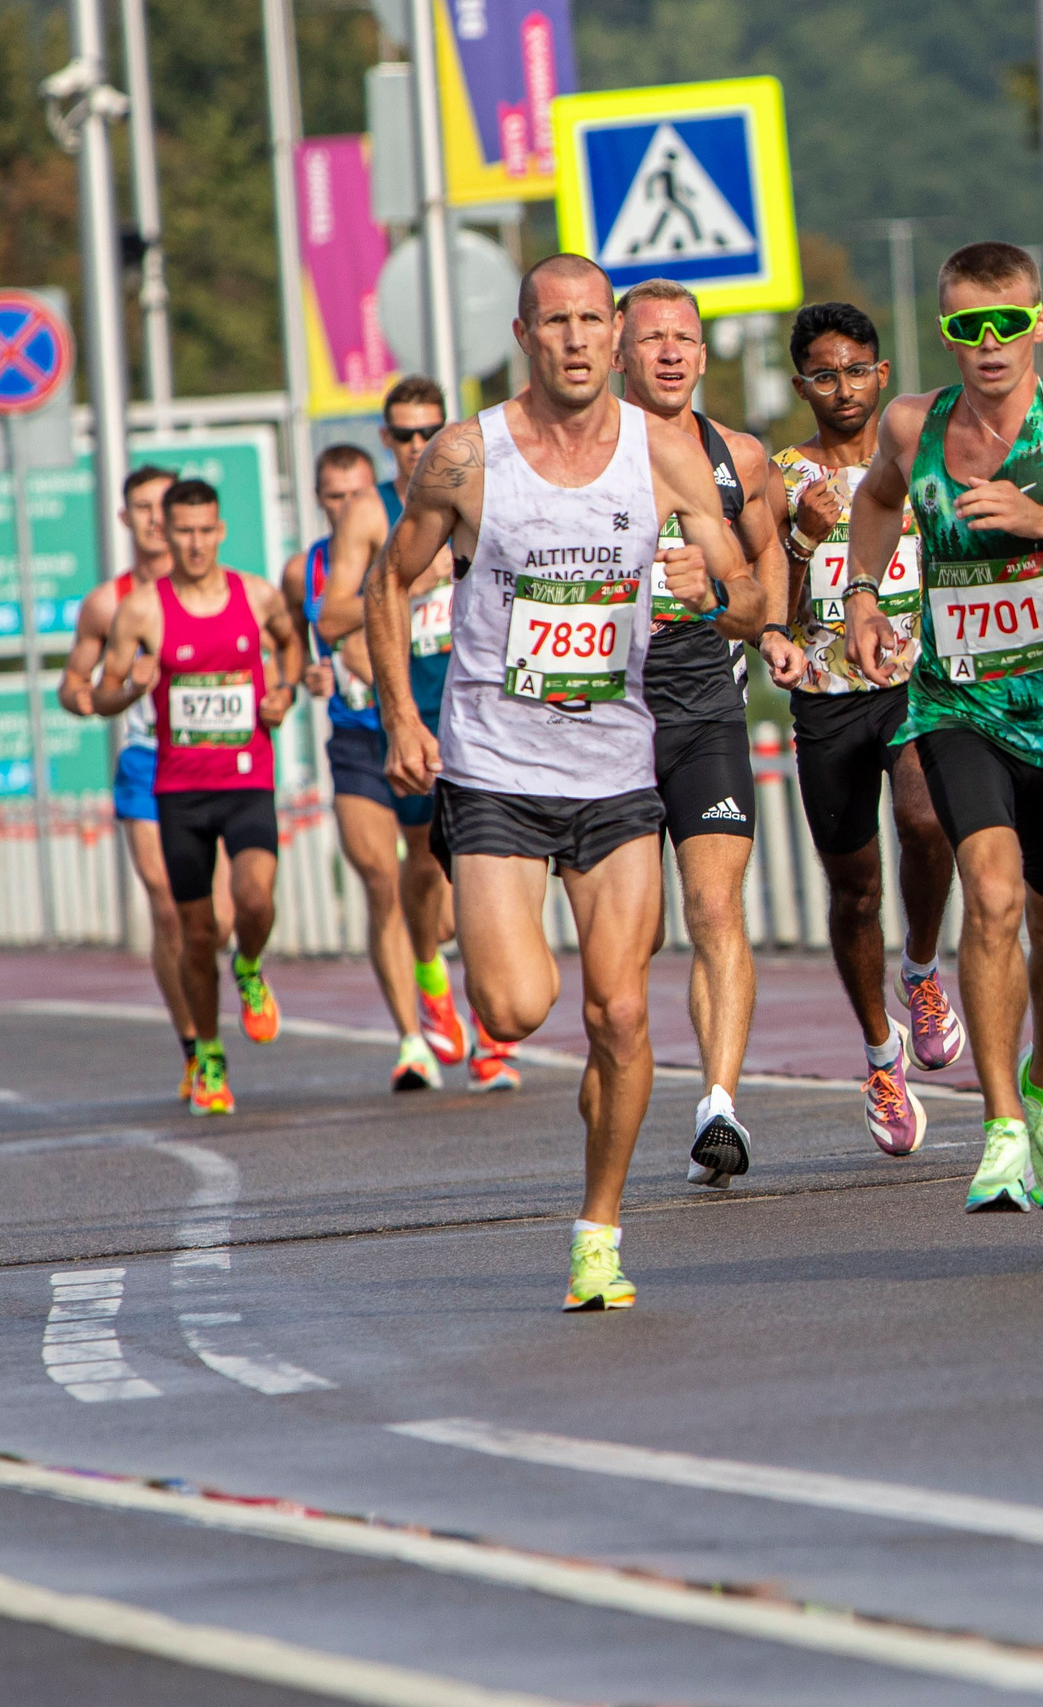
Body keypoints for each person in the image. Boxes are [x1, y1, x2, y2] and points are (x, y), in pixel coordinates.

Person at [364, 252, 748, 1310]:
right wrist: (402, 714)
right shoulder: (462, 457)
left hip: (618, 767)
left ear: (616, 338)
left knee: (621, 1014)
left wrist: (707, 579)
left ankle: (599, 1231)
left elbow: (757, 594)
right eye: (556, 322)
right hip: (492, 766)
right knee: (517, 1005)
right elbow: (386, 583)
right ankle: (505, 1041)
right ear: (524, 335)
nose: (577, 340)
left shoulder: (663, 456)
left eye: (593, 322)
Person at [841, 241, 1043, 1214]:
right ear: (945, 332)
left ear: (1035, 326)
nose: (987, 346)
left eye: (1005, 324)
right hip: (957, 700)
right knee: (988, 896)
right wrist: (864, 595)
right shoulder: (914, 425)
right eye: (964, 327)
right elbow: (874, 502)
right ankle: (997, 1129)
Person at [760, 302, 968, 1158]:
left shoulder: (922, 455)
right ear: (801, 382)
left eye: (857, 372)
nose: (842, 389)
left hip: (918, 679)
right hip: (826, 694)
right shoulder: (779, 475)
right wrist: (802, 540)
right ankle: (881, 1056)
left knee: (927, 822)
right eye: (824, 374)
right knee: (854, 891)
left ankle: (921, 970)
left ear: (882, 375)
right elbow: (764, 594)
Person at [609, 279, 776, 1186]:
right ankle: (625, 1080)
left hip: (707, 708)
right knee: (631, 936)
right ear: (620, 355)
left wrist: (738, 608)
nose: (670, 353)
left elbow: (760, 589)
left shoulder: (735, 456)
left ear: (703, 356)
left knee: (716, 907)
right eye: (652, 339)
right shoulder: (586, 453)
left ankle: (720, 1102)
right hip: (611, 716)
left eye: (685, 339)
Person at [299, 385, 500, 1092]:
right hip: (386, 721)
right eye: (404, 435)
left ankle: (488, 1027)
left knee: (466, 878)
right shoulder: (368, 511)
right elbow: (327, 621)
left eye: (427, 432)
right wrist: (411, 582)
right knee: (393, 877)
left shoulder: (478, 489)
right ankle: (416, 1029)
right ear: (387, 438)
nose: (417, 446)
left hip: (470, 714)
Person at [93, 477, 304, 1116]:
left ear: (220, 531)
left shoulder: (258, 595)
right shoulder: (142, 610)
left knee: (254, 898)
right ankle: (208, 1053)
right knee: (194, 929)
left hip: (245, 778)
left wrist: (285, 691)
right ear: (166, 531)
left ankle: (252, 966)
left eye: (203, 530)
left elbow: (293, 643)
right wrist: (133, 684)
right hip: (179, 790)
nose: (192, 543)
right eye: (181, 530)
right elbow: (101, 694)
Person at [61, 465, 216, 1096]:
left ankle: (213, 1009)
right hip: (147, 762)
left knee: (218, 918)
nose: (156, 520)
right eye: (143, 509)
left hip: (212, 762)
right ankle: (195, 1049)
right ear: (126, 519)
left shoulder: (222, 590)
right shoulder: (109, 602)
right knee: (167, 906)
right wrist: (121, 693)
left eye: (165, 507)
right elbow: (74, 690)